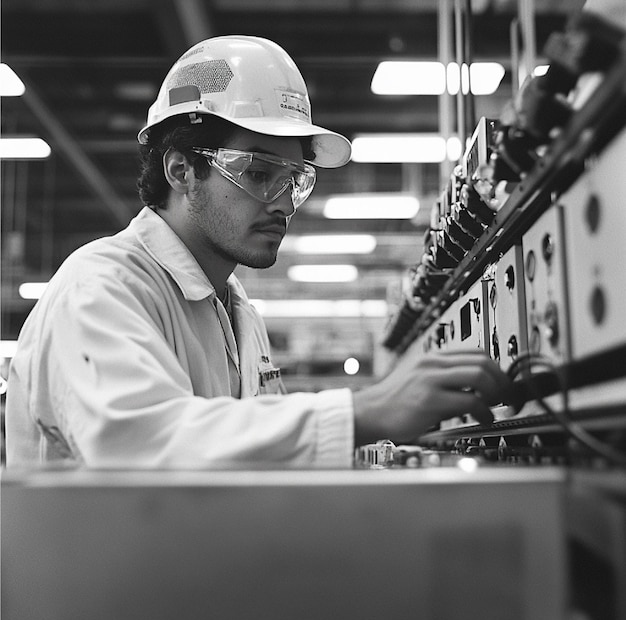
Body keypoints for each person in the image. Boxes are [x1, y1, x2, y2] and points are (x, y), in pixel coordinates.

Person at [4, 35, 514, 468]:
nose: (283, 205)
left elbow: (248, 452)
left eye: (295, 181)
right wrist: (363, 411)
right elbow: (140, 442)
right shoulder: (101, 286)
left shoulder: (237, 310)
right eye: (257, 174)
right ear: (181, 171)